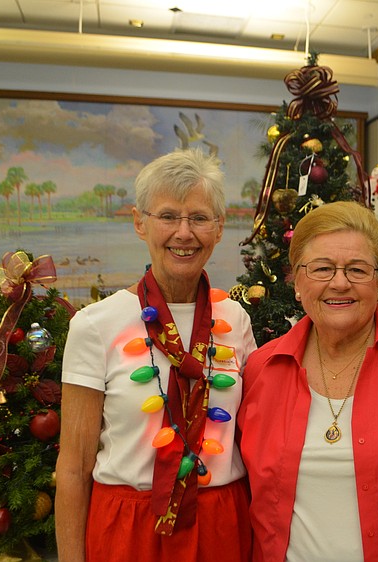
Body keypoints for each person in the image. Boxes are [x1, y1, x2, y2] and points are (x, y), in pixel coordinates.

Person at [56, 148, 255, 562]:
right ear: (139, 223)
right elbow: (74, 467)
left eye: (199, 218)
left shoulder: (235, 319)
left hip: (221, 522)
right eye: (168, 216)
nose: (184, 233)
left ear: (218, 229)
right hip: (128, 526)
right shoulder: (95, 325)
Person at [238, 201, 378, 561]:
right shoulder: (262, 369)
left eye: (357, 270)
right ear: (297, 282)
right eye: (322, 269)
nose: (340, 283)